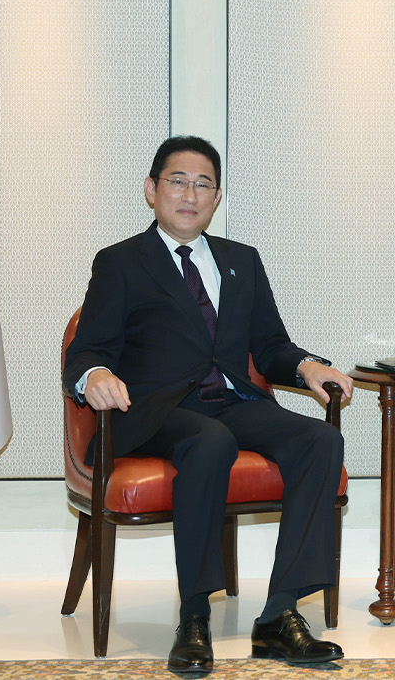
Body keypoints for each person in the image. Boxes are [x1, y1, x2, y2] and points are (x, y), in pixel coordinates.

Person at [63, 136, 353, 674]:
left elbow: (270, 346)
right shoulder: (120, 262)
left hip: (232, 401)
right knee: (210, 441)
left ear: (217, 198)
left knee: (320, 439)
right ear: (151, 190)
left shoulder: (243, 261)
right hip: (156, 411)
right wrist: (95, 374)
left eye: (203, 185)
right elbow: (88, 349)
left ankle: (279, 614)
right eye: (178, 182)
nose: (190, 195)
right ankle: (194, 615)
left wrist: (308, 365)